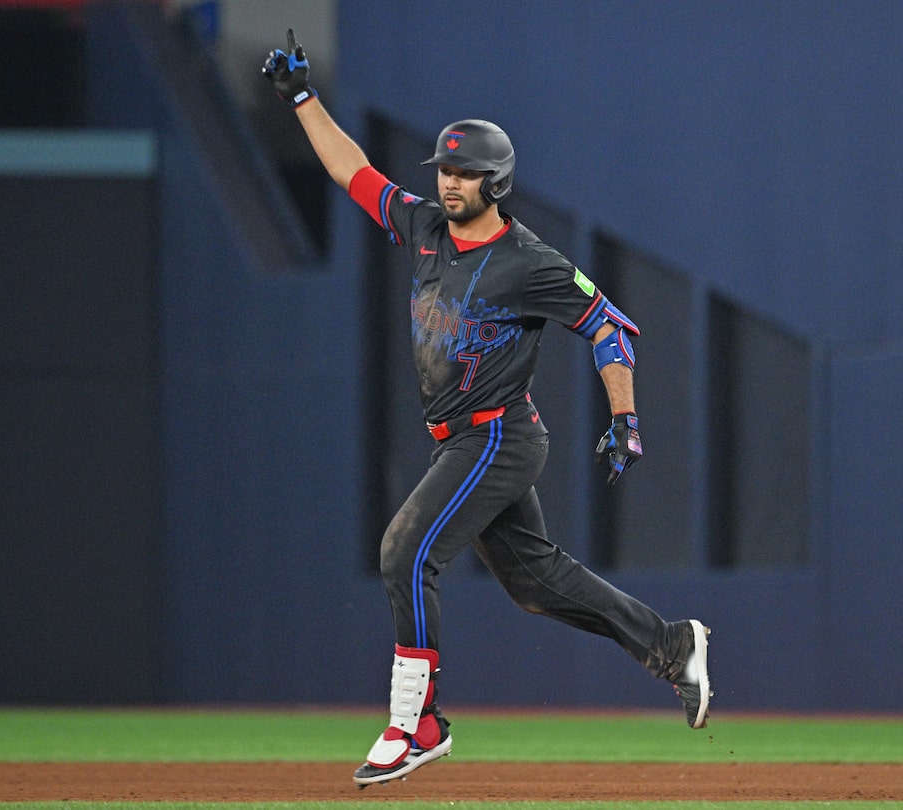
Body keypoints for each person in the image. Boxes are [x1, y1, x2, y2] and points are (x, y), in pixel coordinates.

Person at [263, 30, 712, 788]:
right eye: (444, 168)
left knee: (405, 553)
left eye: (465, 172)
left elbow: (609, 327)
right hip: (456, 441)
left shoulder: (529, 261)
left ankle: (418, 722)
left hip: (499, 436)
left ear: (495, 182)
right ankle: (672, 645)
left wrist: (625, 418)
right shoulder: (425, 227)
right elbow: (353, 171)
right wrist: (304, 99)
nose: (448, 182)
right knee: (535, 584)